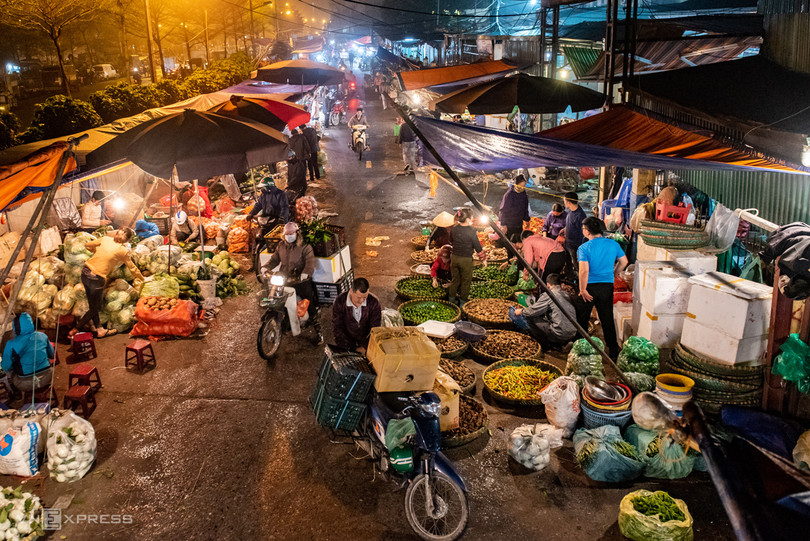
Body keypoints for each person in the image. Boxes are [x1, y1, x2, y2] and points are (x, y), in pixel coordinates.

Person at [71, 227, 144, 338]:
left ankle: (100, 329)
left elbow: (87, 245)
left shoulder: (105, 239)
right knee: (95, 308)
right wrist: (143, 278)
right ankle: (76, 329)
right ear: (127, 240)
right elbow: (132, 268)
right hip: (96, 278)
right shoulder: (123, 251)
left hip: (85, 272)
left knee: (92, 305)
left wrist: (96, 252)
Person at [576, 216, 628, 358]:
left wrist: (582, 289)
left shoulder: (584, 248)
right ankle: (613, 350)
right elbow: (624, 262)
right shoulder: (612, 244)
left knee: (582, 318)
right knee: (607, 318)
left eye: (583, 229)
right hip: (606, 286)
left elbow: (584, 270)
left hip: (589, 287)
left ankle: (580, 350)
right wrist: (613, 274)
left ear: (587, 231)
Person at [263, 222, 319, 337]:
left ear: (297, 233)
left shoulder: (305, 247)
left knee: (307, 302)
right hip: (284, 278)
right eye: (287, 234)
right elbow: (274, 259)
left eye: (291, 233)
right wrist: (266, 267)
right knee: (274, 298)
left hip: (300, 281)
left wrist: (305, 274)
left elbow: (310, 263)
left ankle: (317, 329)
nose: (289, 236)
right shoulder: (281, 246)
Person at [508, 274, 577, 351]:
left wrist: (520, 311)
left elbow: (533, 311)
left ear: (548, 284)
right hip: (572, 333)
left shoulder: (549, 295)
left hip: (558, 333)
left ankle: (546, 346)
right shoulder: (566, 294)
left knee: (530, 318)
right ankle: (562, 344)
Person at [1, 313, 55, 394]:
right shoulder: (43, 336)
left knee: (8, 370)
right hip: (47, 377)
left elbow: (5, 366)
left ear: (15, 327)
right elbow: (52, 354)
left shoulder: (11, 344)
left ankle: (16, 394)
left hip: (26, 384)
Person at [332, 277, 382, 355]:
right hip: (347, 342)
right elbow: (338, 328)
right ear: (351, 291)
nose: (362, 301)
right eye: (359, 297)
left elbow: (375, 328)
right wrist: (353, 348)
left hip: (366, 343)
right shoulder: (340, 302)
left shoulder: (373, 302)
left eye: (365, 297)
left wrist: (365, 347)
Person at [448, 208, 486, 305]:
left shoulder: (454, 228)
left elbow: (451, 240)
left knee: (455, 280)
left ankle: (451, 301)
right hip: (466, 260)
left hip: (455, 257)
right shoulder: (471, 231)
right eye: (472, 217)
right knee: (466, 282)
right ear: (468, 219)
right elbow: (477, 246)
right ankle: (462, 304)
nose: (473, 218)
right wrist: (483, 259)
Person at [560, 191, 587, 277]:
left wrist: (580, 249)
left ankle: (580, 284)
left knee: (577, 265)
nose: (564, 202)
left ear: (568, 202)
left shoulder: (580, 216)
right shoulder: (569, 210)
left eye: (564, 201)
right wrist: (565, 229)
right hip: (568, 243)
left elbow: (584, 234)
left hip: (575, 246)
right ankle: (569, 278)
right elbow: (571, 223)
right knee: (568, 263)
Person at [499, 175, 530, 243]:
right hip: (510, 224)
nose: (522, 187)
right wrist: (503, 224)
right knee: (510, 242)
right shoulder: (509, 195)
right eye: (521, 185)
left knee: (519, 241)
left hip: (519, 223)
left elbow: (525, 207)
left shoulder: (524, 194)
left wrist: (527, 219)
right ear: (516, 185)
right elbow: (503, 210)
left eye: (524, 185)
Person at [288, 127, 312, 198]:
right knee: (303, 170)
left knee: (296, 172)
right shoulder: (302, 137)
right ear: (297, 132)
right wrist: (309, 152)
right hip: (302, 157)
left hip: (295, 159)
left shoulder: (290, 140)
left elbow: (290, 150)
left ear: (292, 134)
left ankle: (298, 186)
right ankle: (303, 184)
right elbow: (307, 146)